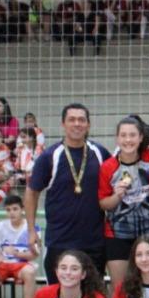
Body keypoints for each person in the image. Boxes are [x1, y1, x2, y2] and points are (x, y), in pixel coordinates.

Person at [25, 103, 111, 285]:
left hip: (94, 241)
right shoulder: (50, 156)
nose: (77, 124)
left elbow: (123, 169)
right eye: (72, 120)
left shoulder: (100, 152)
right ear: (63, 124)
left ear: (88, 125)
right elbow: (32, 193)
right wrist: (31, 230)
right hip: (60, 240)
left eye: (81, 120)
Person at [98, 116, 149, 290]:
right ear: (117, 138)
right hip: (117, 235)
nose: (128, 140)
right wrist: (117, 196)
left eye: (132, 135)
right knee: (120, 288)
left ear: (140, 138)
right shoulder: (108, 167)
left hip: (148, 232)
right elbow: (103, 204)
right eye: (123, 135)